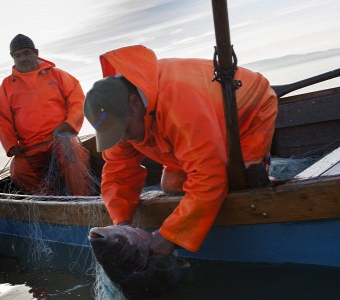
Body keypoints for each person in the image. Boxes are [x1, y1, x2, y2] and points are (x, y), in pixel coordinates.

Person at [84, 45, 278, 257]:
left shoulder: (179, 103)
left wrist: (168, 236)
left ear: (134, 104)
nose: (122, 139)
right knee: (172, 185)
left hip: (247, 113)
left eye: (124, 130)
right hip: (197, 129)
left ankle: (260, 169)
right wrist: (123, 224)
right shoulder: (119, 114)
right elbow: (118, 173)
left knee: (238, 181)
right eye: (113, 134)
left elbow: (210, 177)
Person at [0, 34, 92, 195]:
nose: (22, 58)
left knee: (72, 154)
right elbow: (0, 118)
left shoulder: (57, 75)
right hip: (29, 147)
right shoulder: (6, 85)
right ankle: (52, 203)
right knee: (19, 171)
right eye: (17, 55)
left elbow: (78, 100)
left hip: (60, 139)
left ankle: (82, 200)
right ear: (12, 58)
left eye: (26, 53)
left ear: (36, 53)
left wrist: (70, 124)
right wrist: (11, 144)